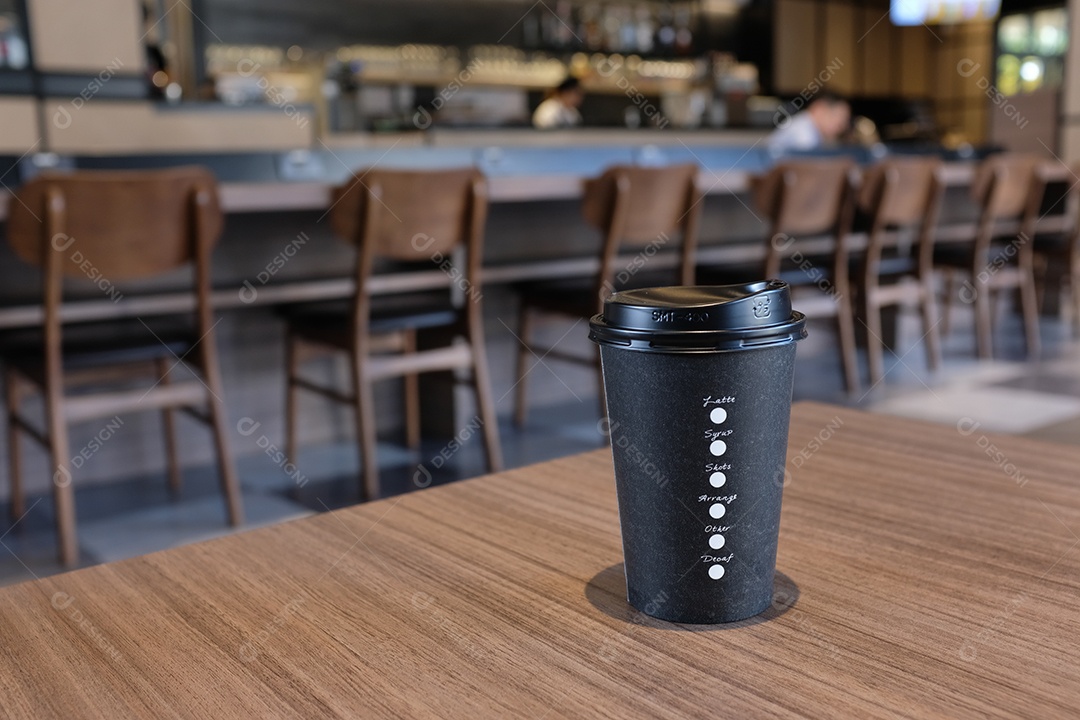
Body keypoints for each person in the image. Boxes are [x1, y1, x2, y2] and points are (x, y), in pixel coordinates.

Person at [767, 90, 851, 154]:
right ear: (819, 108)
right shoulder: (804, 132)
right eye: (839, 117)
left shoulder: (805, 123)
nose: (842, 126)